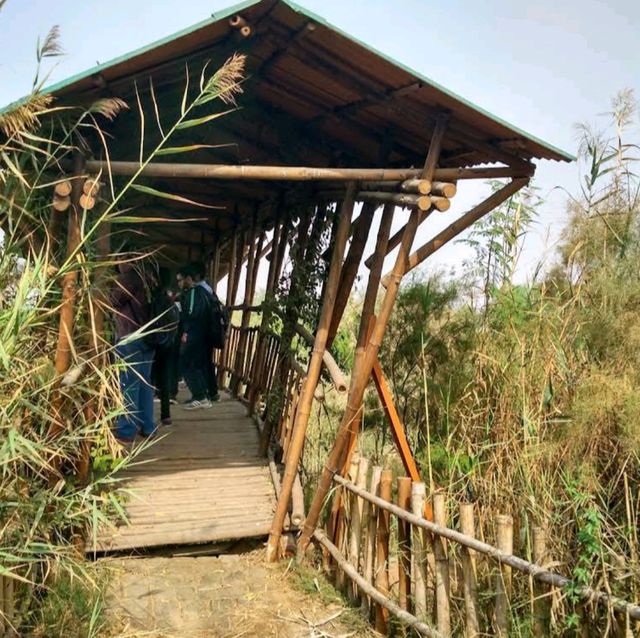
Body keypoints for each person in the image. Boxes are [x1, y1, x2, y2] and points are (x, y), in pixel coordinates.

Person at [110, 259, 156, 442]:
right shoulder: (150, 279)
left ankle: (126, 429)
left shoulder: (128, 279)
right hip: (149, 338)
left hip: (129, 337)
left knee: (128, 384)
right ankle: (148, 426)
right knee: (145, 384)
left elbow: (112, 300)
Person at [177, 265, 212, 410]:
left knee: (187, 364)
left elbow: (191, 314)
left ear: (189, 279)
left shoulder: (193, 292)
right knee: (196, 365)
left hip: (193, 334)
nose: (179, 283)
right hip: (201, 334)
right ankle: (201, 395)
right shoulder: (204, 292)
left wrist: (185, 331)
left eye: (181, 280)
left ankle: (200, 397)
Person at [149, 268, 180, 426]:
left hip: (153, 345)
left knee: (149, 380)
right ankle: (165, 415)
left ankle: (147, 419)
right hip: (168, 344)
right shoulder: (170, 302)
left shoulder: (154, 299)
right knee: (165, 380)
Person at [191, 261, 220, 402]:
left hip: (202, 333)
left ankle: (203, 394)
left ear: (195, 275)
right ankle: (213, 392)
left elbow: (198, 314)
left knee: (200, 363)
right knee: (207, 362)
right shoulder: (210, 289)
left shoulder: (199, 291)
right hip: (210, 332)